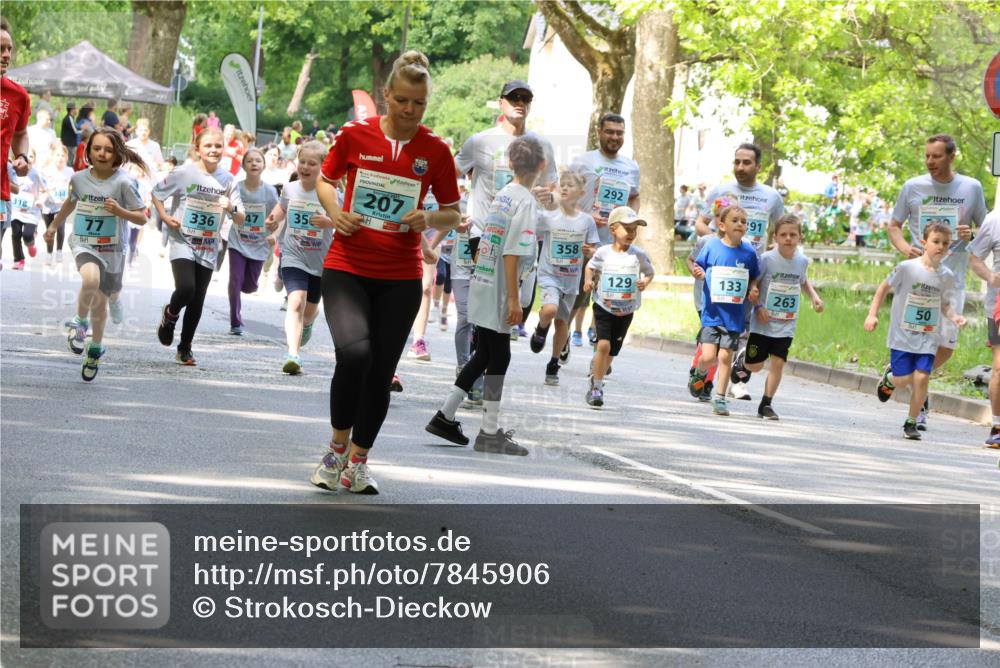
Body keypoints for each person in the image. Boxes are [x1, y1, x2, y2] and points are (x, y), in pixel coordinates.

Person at [310, 50, 461, 495]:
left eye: (419, 104)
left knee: (380, 373)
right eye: (402, 101)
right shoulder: (356, 135)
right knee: (354, 355)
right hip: (348, 266)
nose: (410, 111)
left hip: (399, 276)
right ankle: (335, 450)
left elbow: (453, 212)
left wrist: (428, 219)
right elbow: (325, 178)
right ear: (386, 96)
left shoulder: (435, 150)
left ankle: (358, 462)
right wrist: (336, 211)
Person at [426, 135, 545, 454]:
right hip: (500, 288)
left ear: (509, 164)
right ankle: (488, 431)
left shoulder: (505, 194)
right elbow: (512, 252)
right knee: (499, 354)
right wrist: (513, 298)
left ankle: (446, 415)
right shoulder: (524, 201)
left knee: (485, 354)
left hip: (485, 279)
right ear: (543, 166)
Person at [452, 80, 558, 402]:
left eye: (525, 98)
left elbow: (555, 195)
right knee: (492, 317)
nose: (519, 103)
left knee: (518, 310)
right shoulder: (480, 141)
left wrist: (547, 196)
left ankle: (470, 381)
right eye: (513, 98)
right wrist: (455, 212)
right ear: (501, 103)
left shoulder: (542, 146)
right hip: (484, 234)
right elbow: (449, 174)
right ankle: (477, 387)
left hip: (525, 234)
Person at [887, 134, 987, 429]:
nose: (930, 161)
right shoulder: (913, 187)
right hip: (918, 280)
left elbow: (985, 229)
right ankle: (918, 410)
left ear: (952, 156)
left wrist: (971, 235)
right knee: (921, 342)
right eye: (927, 156)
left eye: (937, 156)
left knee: (945, 347)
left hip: (952, 280)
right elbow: (894, 226)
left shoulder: (971, 188)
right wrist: (906, 249)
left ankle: (894, 376)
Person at [42, 129, 148, 381]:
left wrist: (120, 211)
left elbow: (142, 217)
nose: (102, 153)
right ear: (88, 151)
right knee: (91, 280)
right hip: (84, 243)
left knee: (103, 301)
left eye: (109, 150)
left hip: (112, 248)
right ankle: (79, 323)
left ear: (117, 155)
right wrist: (54, 225)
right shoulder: (78, 178)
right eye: (97, 148)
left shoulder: (124, 182)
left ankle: (95, 348)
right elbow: (71, 201)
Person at [694, 143, 784, 401]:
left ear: (759, 166)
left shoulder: (771, 197)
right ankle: (704, 378)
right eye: (737, 162)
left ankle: (737, 381)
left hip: (750, 272)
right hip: (720, 274)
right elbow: (701, 223)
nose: (740, 167)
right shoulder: (721, 191)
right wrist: (721, 243)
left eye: (747, 162)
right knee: (714, 328)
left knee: (744, 329)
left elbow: (780, 231)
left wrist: (772, 252)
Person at [152, 127, 244, 366]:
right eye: (208, 146)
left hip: (208, 245)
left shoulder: (228, 180)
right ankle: (170, 315)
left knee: (197, 299)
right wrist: (164, 216)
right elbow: (156, 193)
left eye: (218, 146)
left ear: (224, 149)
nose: (213, 150)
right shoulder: (184, 173)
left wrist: (230, 208)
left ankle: (185, 347)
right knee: (186, 288)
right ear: (197, 149)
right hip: (182, 240)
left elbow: (241, 216)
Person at [865, 221, 965, 440]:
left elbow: (944, 303)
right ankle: (891, 379)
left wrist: (955, 317)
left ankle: (911, 421)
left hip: (928, 336)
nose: (940, 246)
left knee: (922, 377)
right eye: (936, 241)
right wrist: (872, 314)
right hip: (902, 335)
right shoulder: (907, 268)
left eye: (945, 243)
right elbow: (883, 289)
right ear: (924, 243)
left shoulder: (946, 275)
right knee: (903, 381)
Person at [730, 215, 824, 419]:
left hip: (786, 323)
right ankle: (743, 361)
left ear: (800, 237)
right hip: (763, 323)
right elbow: (754, 284)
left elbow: (803, 281)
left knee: (778, 363)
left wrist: (814, 297)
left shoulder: (802, 261)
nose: (788, 238)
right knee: (755, 366)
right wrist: (758, 304)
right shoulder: (766, 259)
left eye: (793, 234)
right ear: (775, 237)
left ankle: (766, 403)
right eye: (783, 235)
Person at [568, 112, 640, 349]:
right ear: (599, 132)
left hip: (613, 244)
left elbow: (634, 197)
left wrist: (629, 222)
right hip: (583, 240)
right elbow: (565, 195)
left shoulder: (631, 167)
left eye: (619, 133)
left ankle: (601, 347)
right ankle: (563, 338)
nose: (614, 137)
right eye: (609, 131)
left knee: (609, 296)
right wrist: (585, 216)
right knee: (578, 295)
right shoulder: (583, 161)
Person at [266, 141, 334, 373]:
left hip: (320, 260)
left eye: (312, 163)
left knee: (309, 310)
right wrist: (273, 218)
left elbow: (345, 220)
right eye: (302, 162)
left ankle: (307, 323)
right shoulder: (291, 188)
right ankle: (293, 354)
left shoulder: (331, 192)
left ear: (323, 166)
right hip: (293, 254)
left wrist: (329, 221)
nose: (305, 167)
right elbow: (282, 208)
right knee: (295, 300)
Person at [688, 204, 761, 416]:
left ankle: (719, 398)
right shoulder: (712, 247)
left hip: (734, 316)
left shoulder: (749, 252)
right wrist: (698, 272)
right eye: (735, 220)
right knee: (709, 357)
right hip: (712, 313)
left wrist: (753, 288)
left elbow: (754, 275)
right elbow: (697, 265)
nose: (740, 224)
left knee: (725, 357)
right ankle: (700, 373)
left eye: (743, 221)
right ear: (722, 225)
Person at [529, 168, 598, 385]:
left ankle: (553, 363)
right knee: (550, 310)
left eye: (571, 185)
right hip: (550, 274)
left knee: (562, 324)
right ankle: (541, 328)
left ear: (581, 192)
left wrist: (590, 252)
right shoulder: (548, 217)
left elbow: (594, 249)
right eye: (563, 184)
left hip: (571, 279)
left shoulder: (586, 221)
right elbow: (528, 225)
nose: (565, 188)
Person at [581, 206, 654, 407]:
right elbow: (590, 266)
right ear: (613, 229)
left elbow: (649, 272)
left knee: (611, 352)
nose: (631, 233)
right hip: (604, 306)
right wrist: (588, 281)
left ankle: (598, 373)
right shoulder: (603, 252)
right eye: (627, 228)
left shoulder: (638, 254)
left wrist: (644, 282)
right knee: (603, 345)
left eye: (634, 230)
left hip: (627, 309)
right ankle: (596, 386)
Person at [224, 147, 280, 335]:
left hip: (259, 243)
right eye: (250, 161)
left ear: (264, 166)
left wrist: (274, 232)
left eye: (258, 160)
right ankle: (235, 321)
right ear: (244, 165)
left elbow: (277, 217)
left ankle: (254, 280)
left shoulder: (270, 192)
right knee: (235, 279)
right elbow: (227, 209)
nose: (254, 163)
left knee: (249, 286)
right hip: (237, 240)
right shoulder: (236, 187)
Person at [1, 16, 31, 272]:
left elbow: (20, 133)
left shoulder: (18, 95)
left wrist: (22, 156)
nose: (7, 54)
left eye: (9, 48)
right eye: (1, 48)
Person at [968, 209, 1000, 447]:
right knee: (999, 369)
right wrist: (990, 276)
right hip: (998, 306)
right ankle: (998, 427)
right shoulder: (994, 220)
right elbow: (974, 257)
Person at [9, 148, 44, 269]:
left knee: (27, 235)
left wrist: (41, 200)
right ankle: (19, 260)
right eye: (22, 157)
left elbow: (46, 190)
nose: (26, 159)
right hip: (16, 211)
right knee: (16, 234)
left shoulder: (36, 173)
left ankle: (30, 243)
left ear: (34, 159)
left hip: (31, 213)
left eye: (30, 157)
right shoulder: (12, 172)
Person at [41, 144, 74, 264]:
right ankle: (49, 253)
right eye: (58, 155)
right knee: (49, 229)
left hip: (62, 206)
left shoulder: (70, 171)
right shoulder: (46, 171)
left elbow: (73, 187)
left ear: (66, 157)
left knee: (60, 227)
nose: (60, 157)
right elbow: (41, 187)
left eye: (63, 155)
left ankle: (59, 250)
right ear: (53, 156)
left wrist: (69, 196)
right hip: (48, 205)